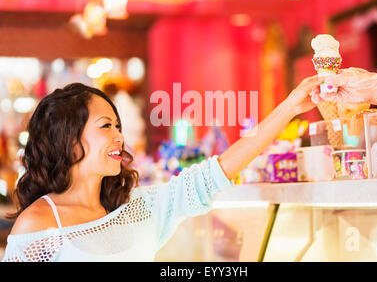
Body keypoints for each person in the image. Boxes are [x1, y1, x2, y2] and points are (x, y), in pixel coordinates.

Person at [2, 76, 321, 262]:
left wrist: (290, 107)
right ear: (69, 141)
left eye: (118, 125)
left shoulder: (136, 209)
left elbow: (216, 172)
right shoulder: (39, 225)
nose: (119, 136)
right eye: (106, 126)